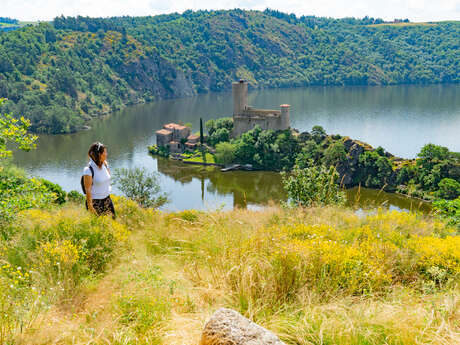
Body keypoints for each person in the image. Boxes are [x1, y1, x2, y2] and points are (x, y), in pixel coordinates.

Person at [83, 142, 116, 218]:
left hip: (107, 199)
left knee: (112, 223)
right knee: (99, 227)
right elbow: (87, 190)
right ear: (99, 155)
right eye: (105, 152)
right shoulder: (88, 170)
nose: (106, 154)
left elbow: (108, 178)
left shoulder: (105, 164)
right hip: (96, 202)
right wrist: (90, 207)